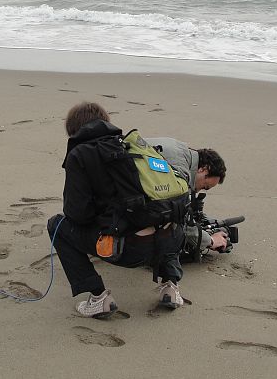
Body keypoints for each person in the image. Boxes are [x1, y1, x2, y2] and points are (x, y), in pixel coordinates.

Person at [47, 102, 188, 319]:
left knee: (56, 224)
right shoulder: (134, 146)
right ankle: (171, 286)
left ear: (73, 130)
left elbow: (78, 214)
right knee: (163, 214)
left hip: (129, 250)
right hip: (172, 240)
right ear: (106, 121)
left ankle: (98, 297)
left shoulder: (80, 154)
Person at [143, 137, 229, 257]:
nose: (198, 190)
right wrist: (211, 240)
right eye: (205, 186)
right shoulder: (181, 171)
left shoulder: (180, 150)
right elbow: (183, 222)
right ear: (203, 169)